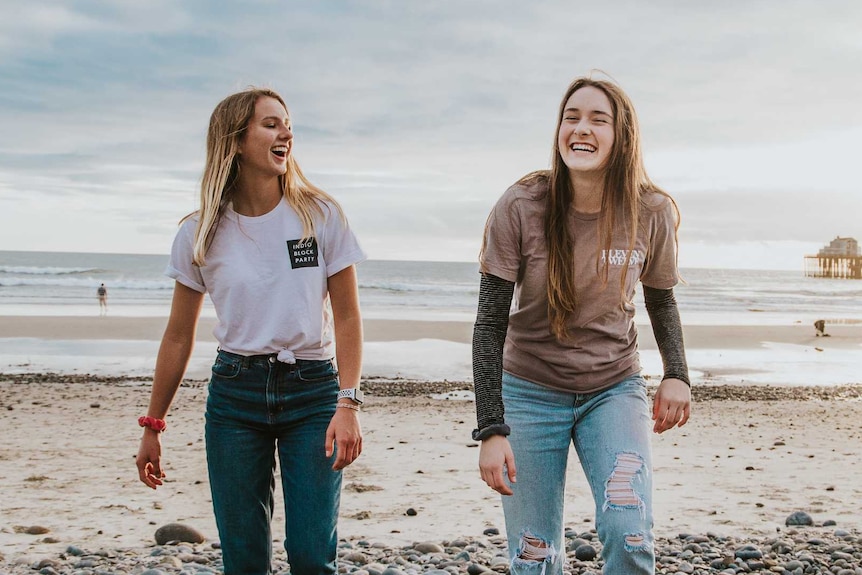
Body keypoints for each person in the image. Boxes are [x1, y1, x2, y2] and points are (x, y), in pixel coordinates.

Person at [135, 88, 366, 575]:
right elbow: (179, 335)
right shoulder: (199, 232)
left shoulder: (320, 216)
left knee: (310, 554)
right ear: (236, 140)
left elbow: (346, 317)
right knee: (243, 560)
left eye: (287, 124)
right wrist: (153, 425)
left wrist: (348, 403)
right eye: (271, 124)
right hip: (235, 398)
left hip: (314, 393)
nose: (287, 133)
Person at [472, 76, 691, 575]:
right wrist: (491, 428)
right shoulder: (522, 204)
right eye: (571, 117)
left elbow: (661, 300)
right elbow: (489, 327)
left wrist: (676, 372)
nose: (581, 128)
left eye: (598, 119)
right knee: (534, 554)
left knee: (629, 533)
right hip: (528, 390)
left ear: (623, 135)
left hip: (612, 388)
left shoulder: (651, 211)